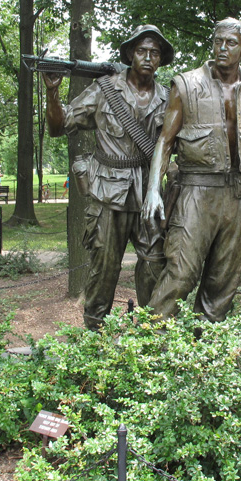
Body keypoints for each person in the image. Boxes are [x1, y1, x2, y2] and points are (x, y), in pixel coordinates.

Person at [143, 17, 241, 323]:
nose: (222, 48)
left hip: (239, 195)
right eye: (218, 41)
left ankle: (206, 343)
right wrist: (153, 190)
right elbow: (165, 141)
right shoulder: (186, 84)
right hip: (196, 191)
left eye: (231, 43)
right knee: (181, 272)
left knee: (224, 281)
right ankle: (150, 339)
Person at [44, 25, 174, 330]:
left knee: (154, 265)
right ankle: (95, 334)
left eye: (154, 53)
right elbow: (59, 126)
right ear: (130, 54)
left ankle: (151, 332)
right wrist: (52, 92)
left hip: (149, 193)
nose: (147, 57)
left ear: (161, 59)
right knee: (104, 268)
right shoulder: (104, 90)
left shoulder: (168, 98)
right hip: (107, 193)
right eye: (141, 51)